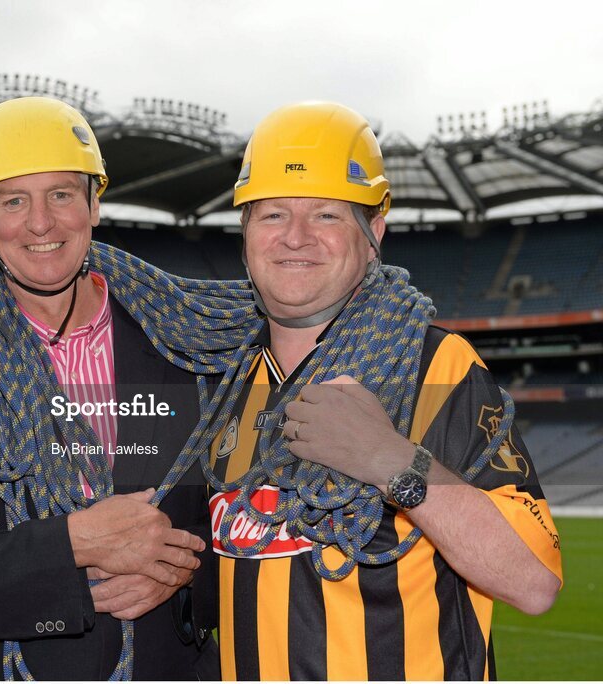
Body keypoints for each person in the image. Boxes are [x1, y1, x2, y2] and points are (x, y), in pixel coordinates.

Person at [0, 97, 250, 680]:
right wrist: (72, 545)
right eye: (13, 200)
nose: (41, 222)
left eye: (62, 195)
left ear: (94, 203)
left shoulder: (187, 348)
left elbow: (246, 529)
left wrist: (181, 573)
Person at [206, 101, 562, 680]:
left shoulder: (439, 365)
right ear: (245, 232)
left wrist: (392, 462)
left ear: (373, 233)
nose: (296, 237)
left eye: (326, 215)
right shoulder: (221, 383)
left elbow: (533, 581)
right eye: (272, 215)